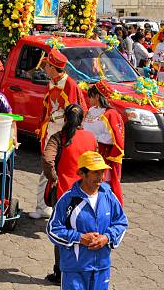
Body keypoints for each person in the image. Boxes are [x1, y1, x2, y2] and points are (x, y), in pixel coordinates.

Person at [47, 151, 128, 290]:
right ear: (81, 173)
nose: (101, 177)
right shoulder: (68, 199)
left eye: (102, 172)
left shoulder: (108, 195)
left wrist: (107, 238)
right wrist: (80, 238)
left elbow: (121, 222)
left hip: (101, 268)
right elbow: (53, 230)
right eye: (95, 172)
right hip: (74, 270)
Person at [42, 104, 98, 285]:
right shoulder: (91, 138)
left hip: (63, 193)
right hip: (87, 192)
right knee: (84, 230)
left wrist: (54, 177)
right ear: (81, 120)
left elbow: (47, 159)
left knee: (63, 233)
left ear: (65, 119)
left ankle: (60, 273)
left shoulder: (58, 138)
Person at [32, 48, 87, 220]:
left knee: (64, 171)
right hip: (51, 132)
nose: (44, 68)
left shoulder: (69, 84)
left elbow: (74, 111)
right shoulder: (52, 82)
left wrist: (56, 118)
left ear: (54, 67)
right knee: (46, 168)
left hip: (65, 134)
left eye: (47, 65)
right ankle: (42, 206)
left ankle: (65, 209)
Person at [84, 81, 124, 204]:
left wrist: (92, 137)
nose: (88, 99)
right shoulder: (91, 110)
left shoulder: (111, 114)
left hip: (102, 155)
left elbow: (112, 138)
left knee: (101, 185)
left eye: (90, 96)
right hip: (87, 152)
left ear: (97, 97)